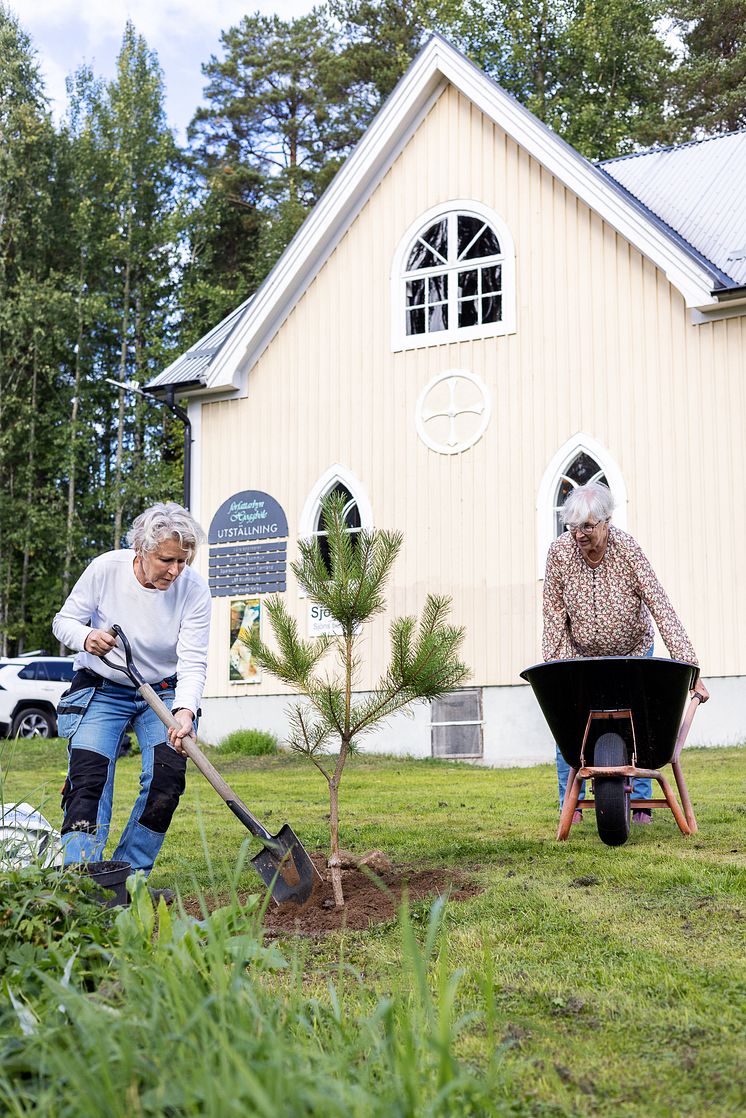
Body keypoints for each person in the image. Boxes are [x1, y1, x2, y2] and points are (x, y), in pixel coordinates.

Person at [52, 502, 212, 880]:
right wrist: (85, 636)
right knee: (89, 778)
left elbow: (193, 660)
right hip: (103, 687)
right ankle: (81, 879)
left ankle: (130, 877)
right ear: (141, 549)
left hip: (164, 691)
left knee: (167, 779)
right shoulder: (106, 569)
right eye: (166, 560)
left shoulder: (193, 588)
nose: (175, 570)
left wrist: (185, 712)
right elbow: (64, 622)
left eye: (183, 561)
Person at [543, 481, 709, 824]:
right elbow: (553, 615)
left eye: (588, 526)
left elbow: (659, 603)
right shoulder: (559, 553)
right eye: (573, 527)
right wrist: (553, 672)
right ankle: (571, 805)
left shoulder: (626, 550)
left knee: (639, 726)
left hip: (633, 653)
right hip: (581, 656)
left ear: (606, 522)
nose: (579, 536)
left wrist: (691, 670)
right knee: (572, 728)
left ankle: (641, 805)